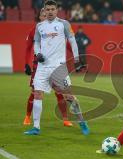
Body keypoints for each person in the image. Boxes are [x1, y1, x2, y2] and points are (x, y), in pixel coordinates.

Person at [24, 0, 89, 135]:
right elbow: (36, 43)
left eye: (52, 9)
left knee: (69, 96)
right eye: (47, 9)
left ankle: (82, 122)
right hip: (42, 67)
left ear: (57, 10)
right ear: (44, 10)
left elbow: (72, 40)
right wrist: (38, 54)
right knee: (37, 94)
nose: (50, 12)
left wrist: (77, 59)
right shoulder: (39, 26)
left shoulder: (63, 24)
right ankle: (36, 128)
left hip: (58, 67)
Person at [23, 8, 73, 127]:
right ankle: (27, 117)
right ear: (39, 17)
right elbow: (28, 48)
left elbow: (66, 44)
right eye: (43, 15)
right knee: (35, 92)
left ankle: (65, 119)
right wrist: (26, 64)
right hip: (39, 66)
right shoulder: (35, 31)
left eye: (47, 15)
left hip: (55, 65)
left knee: (60, 92)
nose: (46, 17)